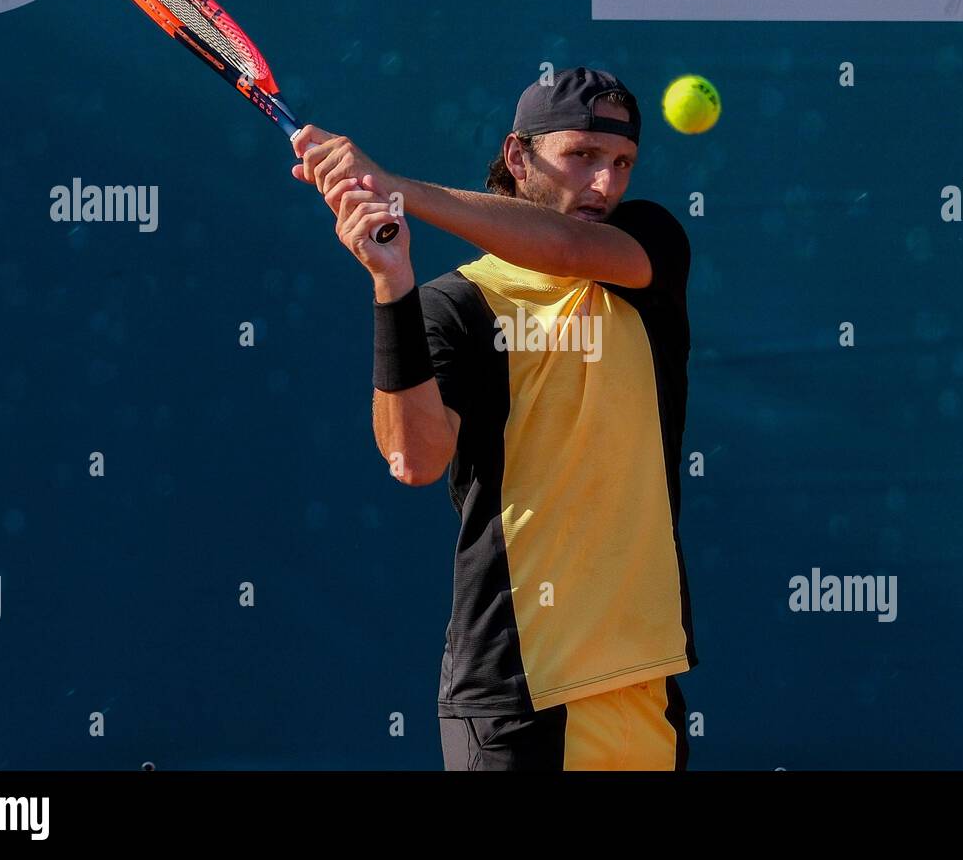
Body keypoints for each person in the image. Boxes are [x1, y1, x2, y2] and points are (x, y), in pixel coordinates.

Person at [290, 67, 697, 770]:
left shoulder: (648, 245)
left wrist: (399, 190)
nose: (605, 184)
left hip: (644, 685)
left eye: (622, 163)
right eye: (582, 156)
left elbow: (568, 250)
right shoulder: (455, 306)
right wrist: (392, 285)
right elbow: (414, 461)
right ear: (518, 157)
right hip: (516, 689)